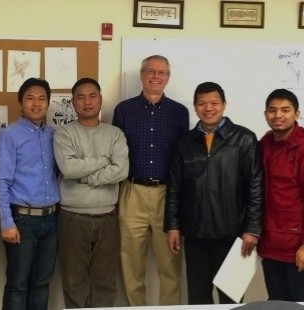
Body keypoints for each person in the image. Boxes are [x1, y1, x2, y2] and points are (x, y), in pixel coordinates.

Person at [164, 81, 263, 305]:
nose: (208, 108)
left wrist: (252, 229)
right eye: (202, 103)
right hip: (195, 233)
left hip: (233, 234)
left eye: (214, 103)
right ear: (195, 106)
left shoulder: (244, 139)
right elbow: (175, 188)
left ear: (224, 105)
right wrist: (172, 225)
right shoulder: (185, 142)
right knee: (198, 298)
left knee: (231, 298)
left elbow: (255, 187)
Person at [112, 54, 188, 306]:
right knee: (131, 263)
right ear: (142, 75)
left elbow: (182, 159)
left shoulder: (179, 112)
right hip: (132, 191)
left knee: (170, 265)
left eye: (162, 72)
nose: (156, 76)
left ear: (168, 78)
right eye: (151, 71)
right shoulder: (124, 110)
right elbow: (116, 155)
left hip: (166, 195)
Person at [54, 78, 129, 308]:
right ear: (73, 102)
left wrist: (85, 176)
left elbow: (121, 171)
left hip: (107, 218)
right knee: (74, 282)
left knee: (105, 282)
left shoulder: (115, 134)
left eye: (92, 95)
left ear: (100, 99)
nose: (87, 101)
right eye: (80, 97)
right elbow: (68, 168)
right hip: (72, 219)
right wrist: (102, 161)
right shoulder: (63, 134)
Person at [0, 78, 60, 310]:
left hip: (51, 220)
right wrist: (6, 222)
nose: (36, 103)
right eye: (30, 98)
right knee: (18, 286)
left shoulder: (54, 135)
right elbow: (0, 181)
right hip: (22, 221)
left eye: (42, 98)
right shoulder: (8, 135)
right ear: (21, 103)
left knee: (42, 284)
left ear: (48, 103)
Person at [257, 89, 304, 302]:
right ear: (265, 114)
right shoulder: (265, 144)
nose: (278, 115)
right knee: (276, 303)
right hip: (270, 246)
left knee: (302, 304)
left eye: (285, 110)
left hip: (298, 249)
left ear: (296, 114)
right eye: (272, 110)